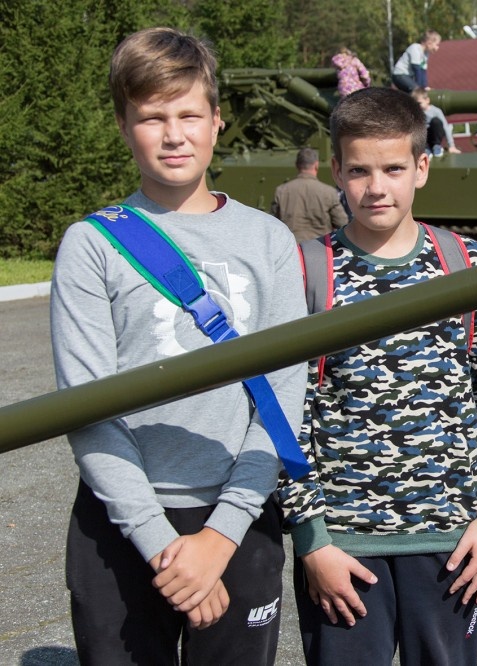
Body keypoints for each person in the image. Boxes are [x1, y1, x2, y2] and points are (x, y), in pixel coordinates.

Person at [49, 27, 307, 664]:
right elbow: (86, 407)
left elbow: (281, 398)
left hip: (238, 518)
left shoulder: (269, 241)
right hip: (122, 524)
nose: (173, 134)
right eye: (151, 117)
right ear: (122, 124)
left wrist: (218, 537)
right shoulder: (90, 245)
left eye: (189, 114)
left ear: (218, 123)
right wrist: (160, 541)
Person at [277, 86, 477, 666]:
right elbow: (281, 415)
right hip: (345, 547)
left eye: (394, 168)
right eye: (359, 170)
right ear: (335, 170)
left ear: (422, 168)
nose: (376, 187)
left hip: (453, 544)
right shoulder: (305, 270)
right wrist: (312, 540)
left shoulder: (465, 266)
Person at [271, 147, 350, 241]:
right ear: (316, 165)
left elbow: (272, 223)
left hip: (292, 248)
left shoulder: (281, 191)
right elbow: (342, 223)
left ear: (297, 165)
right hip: (320, 247)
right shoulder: (329, 192)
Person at [411, 87, 461, 157]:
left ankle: (436, 146)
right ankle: (425, 149)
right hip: (424, 138)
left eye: (419, 103)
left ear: (427, 100)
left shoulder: (436, 111)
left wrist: (451, 145)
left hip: (435, 136)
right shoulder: (416, 113)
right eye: (415, 104)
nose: (417, 106)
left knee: (436, 121)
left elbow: (445, 127)